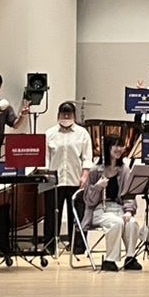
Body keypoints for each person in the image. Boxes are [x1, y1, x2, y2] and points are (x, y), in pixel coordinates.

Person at [80, 138, 142, 271]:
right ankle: (110, 260)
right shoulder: (95, 170)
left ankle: (130, 258)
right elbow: (89, 200)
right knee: (116, 223)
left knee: (132, 223)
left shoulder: (124, 170)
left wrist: (129, 211)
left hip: (119, 209)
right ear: (108, 148)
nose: (119, 149)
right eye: (115, 146)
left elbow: (129, 194)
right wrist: (98, 187)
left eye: (121, 146)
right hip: (99, 210)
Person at [44, 100, 93, 244]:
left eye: (69, 114)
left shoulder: (82, 133)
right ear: (58, 115)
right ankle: (50, 245)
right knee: (52, 215)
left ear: (74, 115)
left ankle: (78, 245)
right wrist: (46, 175)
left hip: (76, 179)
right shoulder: (50, 133)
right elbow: (46, 158)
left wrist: (85, 175)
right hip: (54, 181)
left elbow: (87, 157)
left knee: (77, 214)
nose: (66, 117)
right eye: (63, 114)